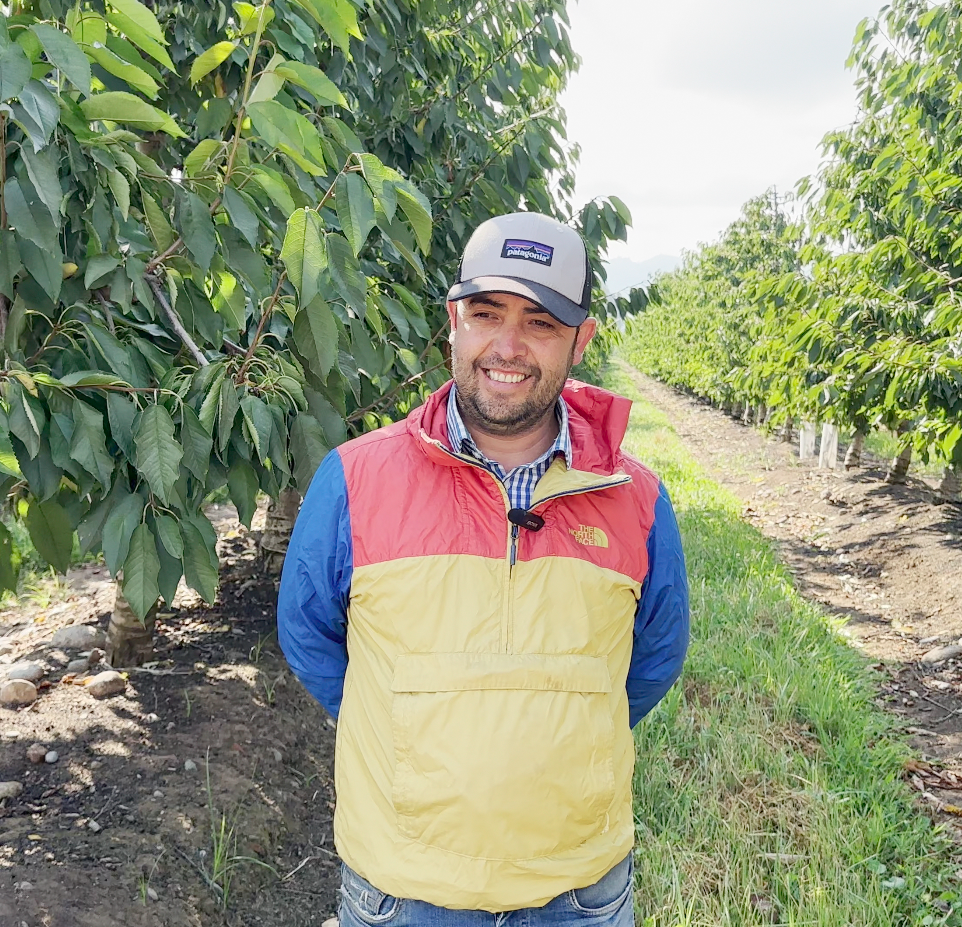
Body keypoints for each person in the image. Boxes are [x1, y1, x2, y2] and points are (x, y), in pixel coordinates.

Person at [277, 212, 690, 927]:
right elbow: (309, 637)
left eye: (541, 322)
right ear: (453, 323)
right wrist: (401, 720)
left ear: (582, 340)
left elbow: (653, 658)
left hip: (578, 892)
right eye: (486, 313)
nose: (507, 345)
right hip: (404, 892)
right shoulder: (352, 480)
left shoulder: (638, 500)